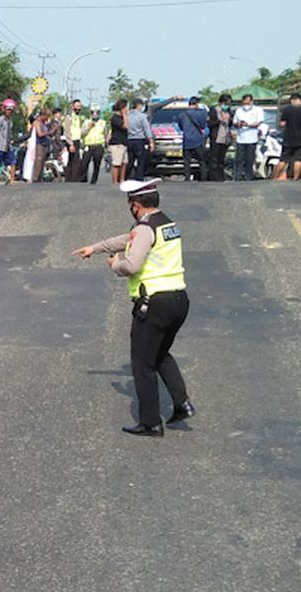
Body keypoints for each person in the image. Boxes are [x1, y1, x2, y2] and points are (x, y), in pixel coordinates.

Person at [72, 178, 193, 438]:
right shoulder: (166, 224)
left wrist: (115, 264)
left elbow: (132, 264)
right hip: (178, 300)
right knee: (160, 354)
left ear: (136, 206)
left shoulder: (144, 229)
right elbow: (128, 239)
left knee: (142, 363)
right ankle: (181, 404)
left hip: (154, 304)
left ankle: (150, 422)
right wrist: (94, 248)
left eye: (130, 203)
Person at [273, 93, 301, 181]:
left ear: (291, 100)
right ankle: (295, 178)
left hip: (288, 138)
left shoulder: (287, 110)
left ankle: (275, 177)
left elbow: (282, 123)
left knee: (283, 159)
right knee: (299, 159)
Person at [232, 94, 263, 182]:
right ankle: (237, 177)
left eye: (248, 103)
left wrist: (248, 124)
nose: (246, 105)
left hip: (252, 138)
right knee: (239, 160)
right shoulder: (239, 110)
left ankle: (249, 177)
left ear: (252, 102)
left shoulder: (258, 110)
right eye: (244, 103)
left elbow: (258, 123)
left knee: (250, 159)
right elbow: (235, 122)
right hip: (241, 138)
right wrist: (239, 124)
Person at [177, 97, 209, 182]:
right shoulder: (201, 113)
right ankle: (203, 178)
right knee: (201, 161)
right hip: (197, 140)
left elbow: (181, 127)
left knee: (187, 162)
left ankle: (187, 177)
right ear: (196, 104)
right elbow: (202, 126)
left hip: (186, 140)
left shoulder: (182, 115)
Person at [0, 98, 17, 185]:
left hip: (8, 146)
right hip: (0, 146)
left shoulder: (10, 121)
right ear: (4, 109)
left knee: (13, 162)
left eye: (11, 110)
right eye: (8, 109)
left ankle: (12, 181)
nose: (9, 112)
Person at [126, 98, 155, 180]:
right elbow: (147, 129)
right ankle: (139, 178)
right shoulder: (142, 116)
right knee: (141, 161)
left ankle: (127, 176)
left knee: (130, 160)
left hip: (129, 140)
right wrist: (151, 142)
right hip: (139, 140)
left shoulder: (127, 115)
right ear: (139, 105)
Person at [206, 94, 232, 182]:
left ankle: (221, 177)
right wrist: (219, 121)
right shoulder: (214, 110)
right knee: (214, 159)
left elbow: (230, 123)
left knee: (221, 159)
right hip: (216, 137)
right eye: (226, 103)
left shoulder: (229, 111)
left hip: (225, 138)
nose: (227, 105)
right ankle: (213, 178)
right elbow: (210, 124)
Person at [81, 107, 108, 183]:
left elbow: (106, 134)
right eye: (93, 112)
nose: (95, 114)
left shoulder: (103, 123)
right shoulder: (86, 122)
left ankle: (94, 180)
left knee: (97, 164)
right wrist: (89, 127)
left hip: (99, 145)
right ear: (90, 113)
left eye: (97, 112)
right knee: (84, 163)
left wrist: (106, 144)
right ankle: (83, 179)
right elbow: (82, 133)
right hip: (88, 145)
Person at [29, 108, 55, 183]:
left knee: (42, 163)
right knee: (38, 162)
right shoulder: (37, 122)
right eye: (47, 116)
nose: (47, 118)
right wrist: (50, 132)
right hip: (39, 145)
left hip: (44, 145)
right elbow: (39, 134)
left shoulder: (43, 123)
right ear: (43, 115)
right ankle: (35, 178)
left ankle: (39, 179)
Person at [108, 98, 130, 184]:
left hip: (124, 143)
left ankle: (122, 180)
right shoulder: (115, 118)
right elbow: (125, 126)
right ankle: (115, 181)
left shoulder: (121, 117)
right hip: (117, 143)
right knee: (117, 163)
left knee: (124, 162)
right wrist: (124, 115)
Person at [64, 99, 85, 182]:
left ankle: (70, 179)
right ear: (72, 107)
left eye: (80, 107)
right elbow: (67, 131)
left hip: (77, 140)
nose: (78, 109)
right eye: (77, 107)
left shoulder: (77, 117)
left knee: (72, 160)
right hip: (72, 141)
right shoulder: (69, 116)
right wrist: (70, 144)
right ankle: (73, 179)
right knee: (75, 161)